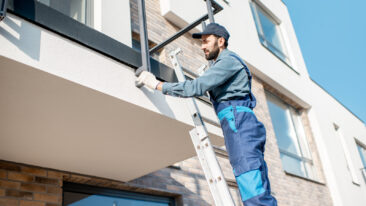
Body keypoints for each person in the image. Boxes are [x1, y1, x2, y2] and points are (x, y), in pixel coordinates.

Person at [136, 23, 277, 206]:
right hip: (240, 122)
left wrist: (157, 84)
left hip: (238, 123)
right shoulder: (225, 63)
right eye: (201, 42)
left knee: (250, 182)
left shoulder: (228, 61)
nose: (202, 46)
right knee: (255, 182)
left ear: (221, 41)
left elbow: (196, 87)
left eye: (206, 41)